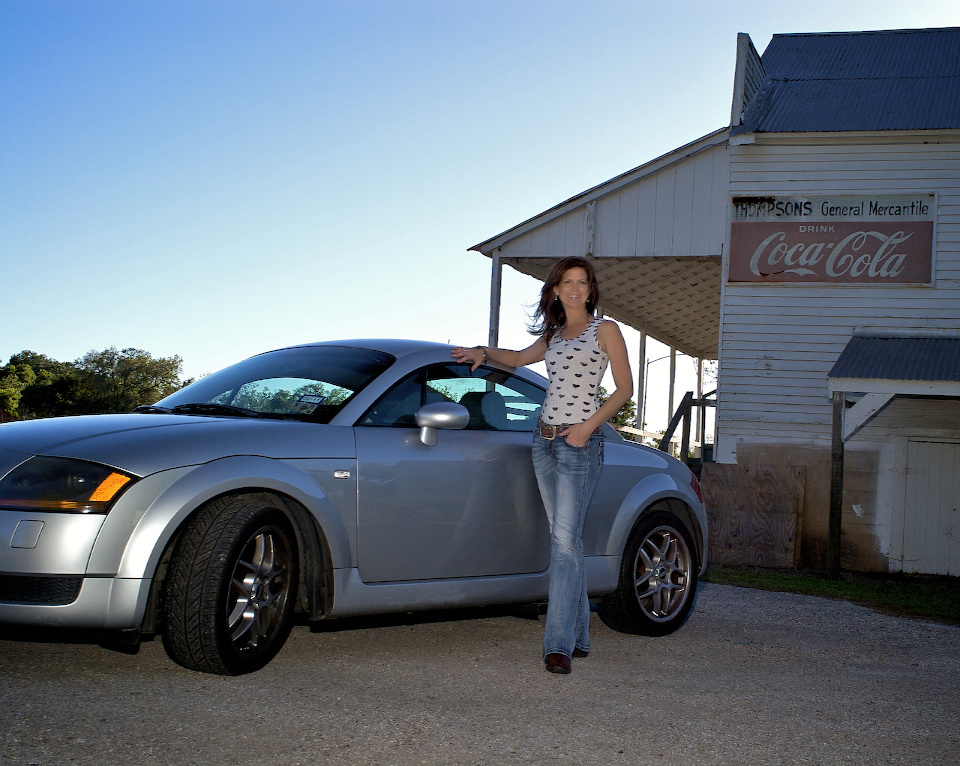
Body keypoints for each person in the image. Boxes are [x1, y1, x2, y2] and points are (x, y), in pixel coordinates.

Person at [452, 256, 633, 675]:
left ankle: (558, 644)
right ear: (554, 289)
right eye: (566, 282)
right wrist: (482, 351)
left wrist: (587, 428)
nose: (574, 289)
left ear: (591, 289)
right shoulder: (553, 335)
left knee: (565, 545)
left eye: (581, 282)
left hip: (578, 445)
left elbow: (624, 389)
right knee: (566, 542)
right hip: (543, 442)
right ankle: (581, 634)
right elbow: (516, 358)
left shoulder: (604, 330)